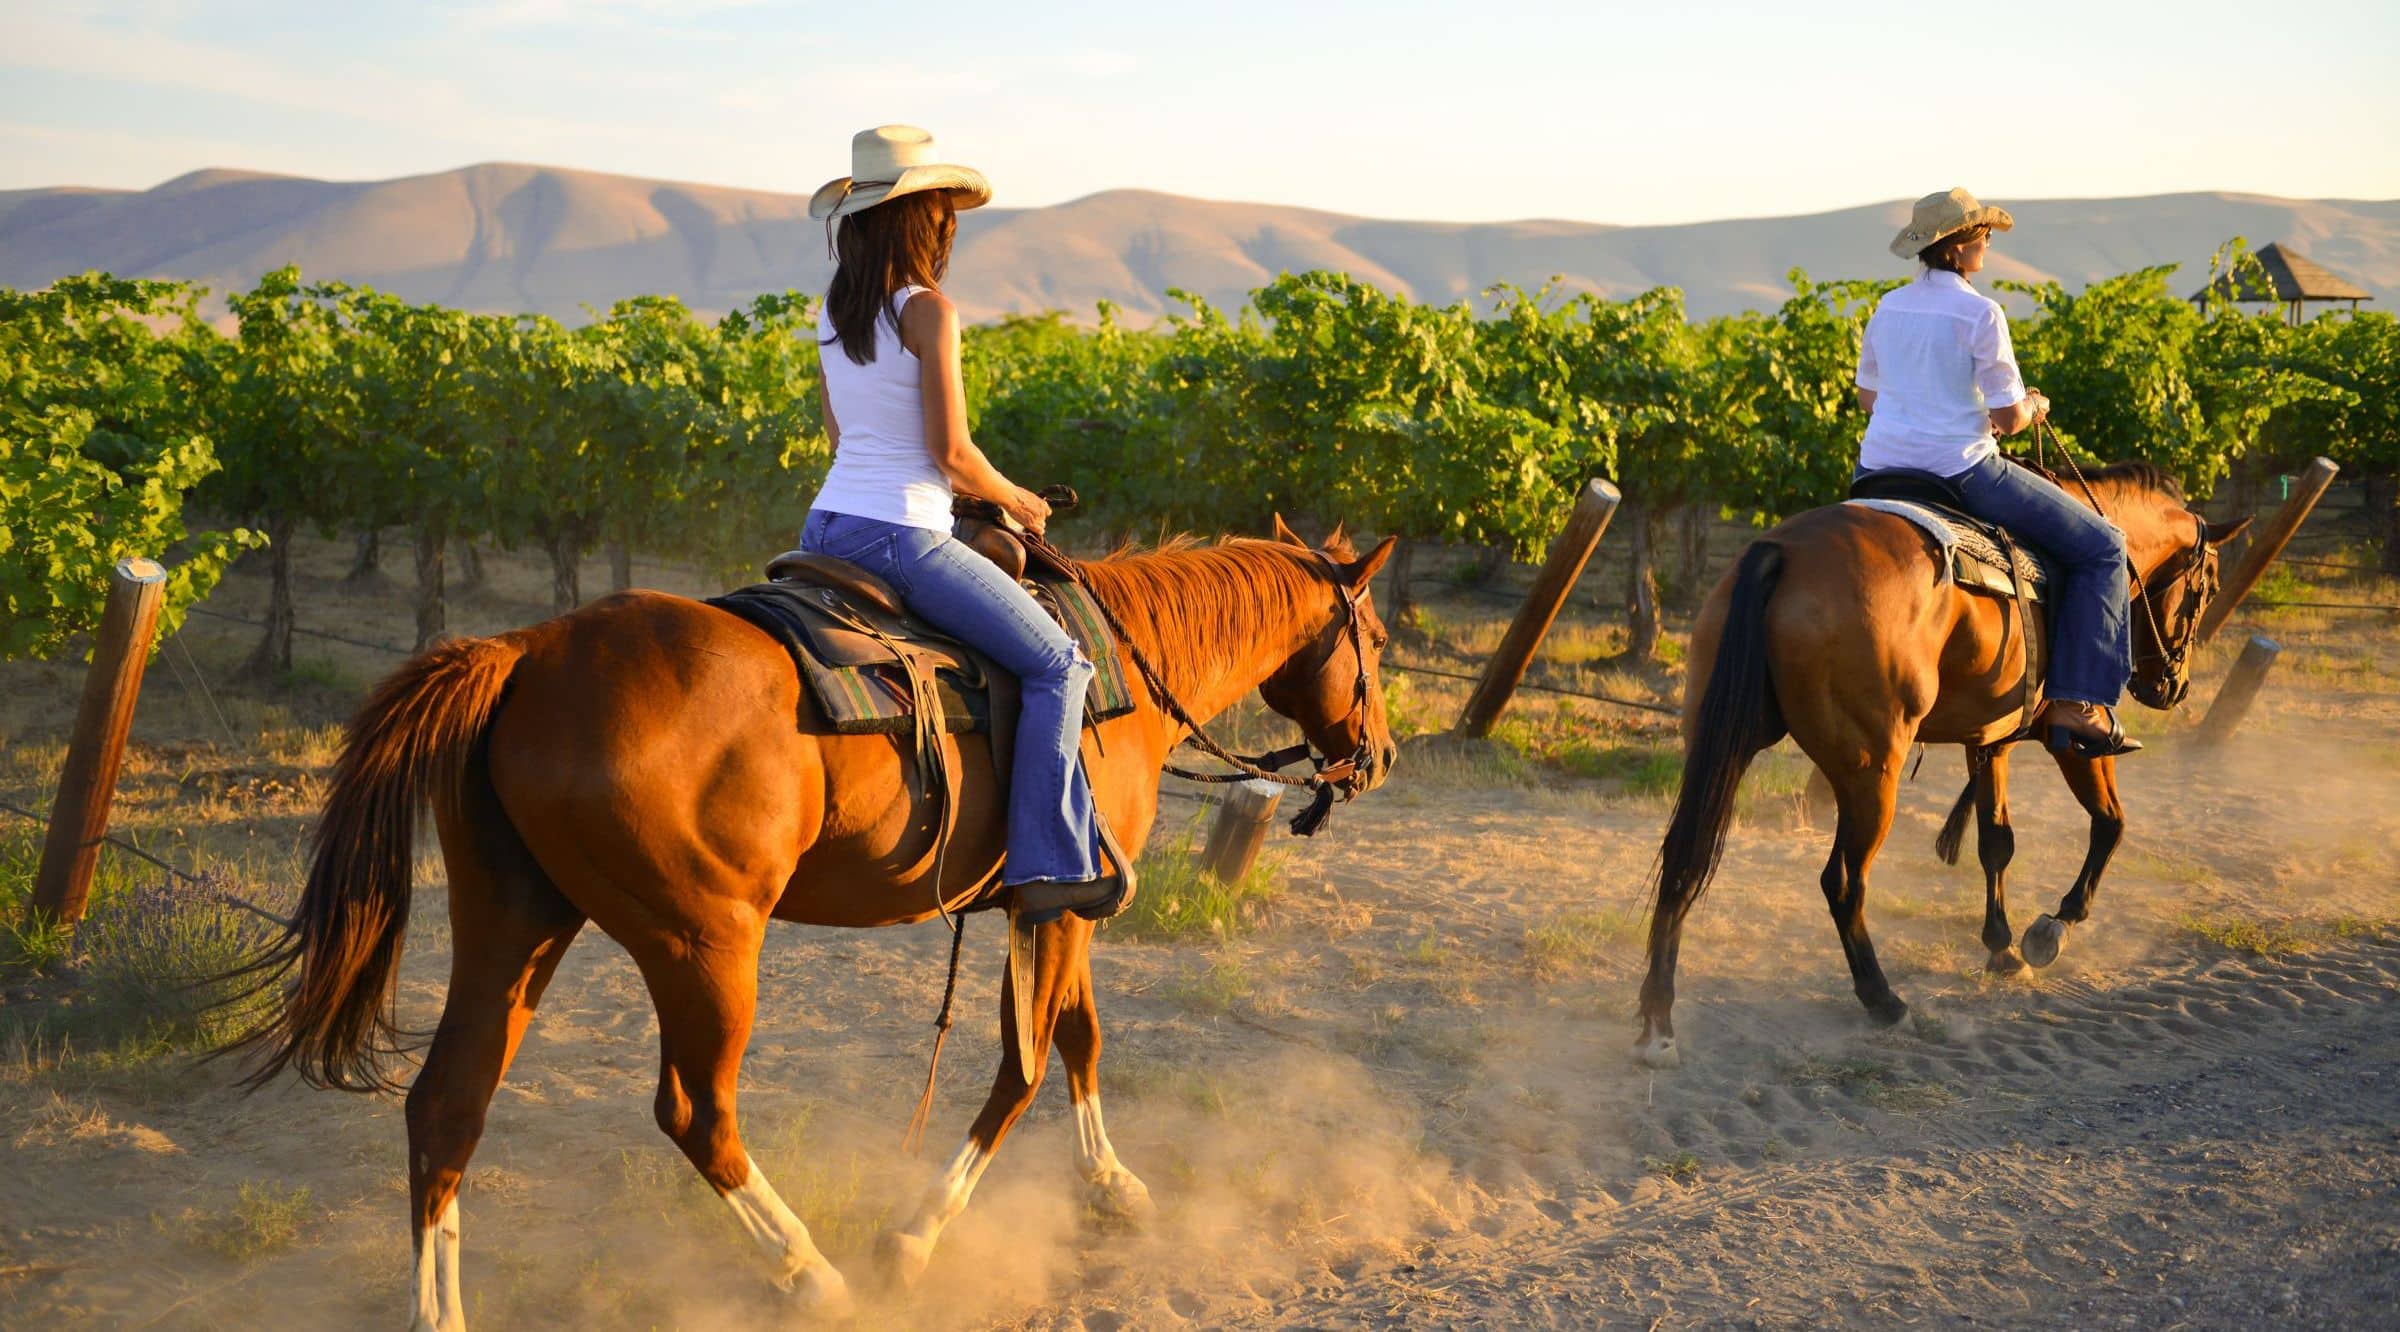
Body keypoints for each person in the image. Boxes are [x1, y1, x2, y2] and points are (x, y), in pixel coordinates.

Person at [798, 124, 1123, 918]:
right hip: (900, 536)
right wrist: (1018, 500)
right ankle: (1046, 864)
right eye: (945, 213)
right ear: (921, 219)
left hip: (824, 529)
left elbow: (845, 439)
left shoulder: (832, 314)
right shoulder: (929, 312)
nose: (951, 228)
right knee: (1060, 664)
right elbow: (949, 451)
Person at [1855, 187, 2139, 757]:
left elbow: (1868, 398)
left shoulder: (1888, 307)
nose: (1988, 244)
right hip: (1959, 471)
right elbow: (2009, 420)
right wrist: (2036, 406)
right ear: (1958, 248)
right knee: (2105, 545)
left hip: (1877, 472)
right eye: (1982, 236)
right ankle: (2077, 703)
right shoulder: (1981, 313)